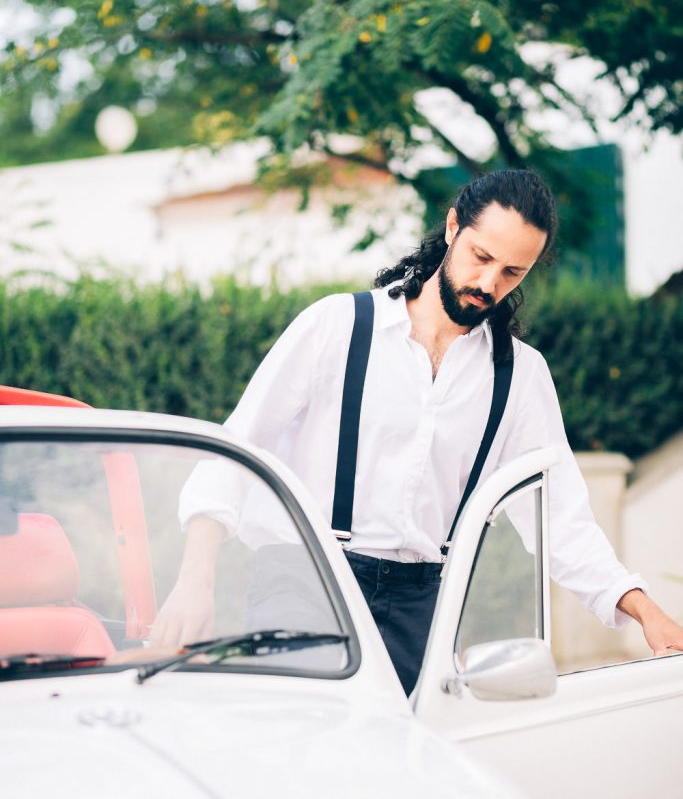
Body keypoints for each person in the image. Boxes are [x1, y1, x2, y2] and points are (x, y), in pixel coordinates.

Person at [151, 169, 683, 692]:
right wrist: (195, 580)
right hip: (307, 580)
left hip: (422, 602)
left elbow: (560, 520)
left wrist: (644, 611)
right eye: (481, 257)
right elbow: (237, 447)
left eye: (512, 273)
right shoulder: (337, 326)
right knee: (304, 747)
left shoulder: (519, 376)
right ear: (453, 227)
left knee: (402, 766)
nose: (487, 284)